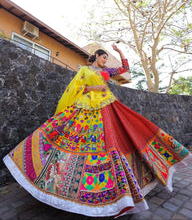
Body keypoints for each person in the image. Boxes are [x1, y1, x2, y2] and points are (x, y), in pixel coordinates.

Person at [3, 43, 192, 218]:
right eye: (103, 58)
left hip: (107, 106)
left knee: (121, 134)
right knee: (73, 138)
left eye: (107, 59)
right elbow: (77, 87)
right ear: (96, 57)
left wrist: (119, 52)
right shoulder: (84, 70)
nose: (105, 62)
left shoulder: (107, 71)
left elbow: (125, 69)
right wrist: (94, 86)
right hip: (85, 107)